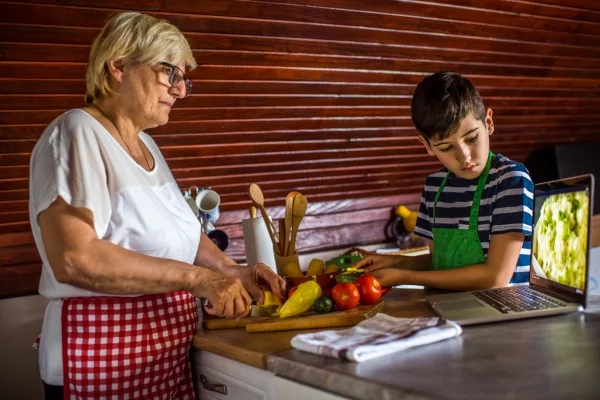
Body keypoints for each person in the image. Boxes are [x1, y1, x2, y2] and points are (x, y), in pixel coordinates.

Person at [29, 12, 285, 400]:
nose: (180, 91)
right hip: (103, 361)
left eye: (185, 79)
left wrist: (233, 270)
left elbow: (181, 230)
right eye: (170, 73)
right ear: (118, 65)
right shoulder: (76, 132)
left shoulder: (146, 143)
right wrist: (200, 280)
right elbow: (75, 258)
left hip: (160, 357)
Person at [354, 71, 533, 290]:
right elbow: (441, 263)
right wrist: (396, 261)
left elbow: (495, 278)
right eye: (446, 147)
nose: (464, 156)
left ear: (488, 123)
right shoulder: (435, 187)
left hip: (502, 311)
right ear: (427, 145)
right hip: (449, 303)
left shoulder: (509, 180)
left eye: (472, 138)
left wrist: (405, 276)